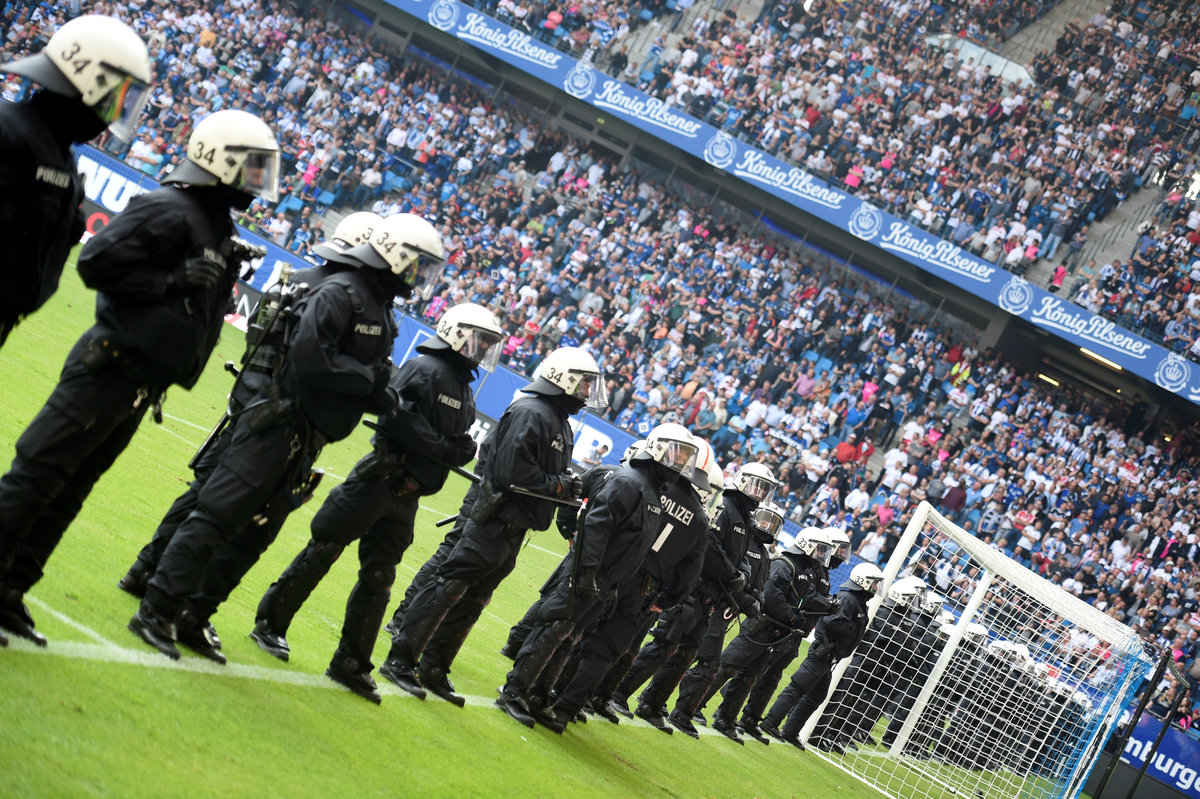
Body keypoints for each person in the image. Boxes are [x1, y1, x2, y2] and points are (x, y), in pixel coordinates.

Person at [0, 109, 278, 647]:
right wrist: (171, 280)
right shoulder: (168, 207)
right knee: (37, 479)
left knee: (70, 490)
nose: (256, 183)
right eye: (250, 168)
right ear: (218, 161)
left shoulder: (214, 225)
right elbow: (96, 264)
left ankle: (11, 588)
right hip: (107, 368)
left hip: (137, 385)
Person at [128, 211, 445, 660]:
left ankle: (193, 615)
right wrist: (369, 383)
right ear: (394, 253)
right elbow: (312, 359)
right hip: (277, 425)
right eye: (418, 264)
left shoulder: (375, 307)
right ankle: (157, 609)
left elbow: (364, 376)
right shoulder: (340, 293)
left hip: (305, 438)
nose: (420, 277)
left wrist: (375, 390)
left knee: (256, 534)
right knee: (217, 516)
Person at [116, 212, 384, 599]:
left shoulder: (296, 280)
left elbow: (256, 343)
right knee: (231, 511)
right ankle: (178, 597)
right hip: (281, 421)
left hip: (249, 402)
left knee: (203, 493)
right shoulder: (343, 301)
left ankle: (145, 570)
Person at [248, 303, 503, 702]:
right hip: (380, 478)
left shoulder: (462, 387)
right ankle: (270, 624)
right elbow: (396, 415)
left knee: (380, 577)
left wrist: (455, 448)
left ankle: (351, 662)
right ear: (455, 333)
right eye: (480, 339)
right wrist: (443, 448)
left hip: (408, 494)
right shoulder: (425, 369)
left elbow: (456, 441)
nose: (484, 348)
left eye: (488, 342)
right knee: (325, 548)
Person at [376, 346, 606, 701]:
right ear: (563, 378)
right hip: (496, 519)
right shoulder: (532, 412)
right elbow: (512, 472)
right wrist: (560, 486)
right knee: (450, 585)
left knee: (474, 598)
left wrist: (563, 486)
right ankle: (400, 660)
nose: (587, 392)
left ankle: (434, 666)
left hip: (515, 525)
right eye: (584, 383)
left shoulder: (556, 420)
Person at [495, 423, 697, 732]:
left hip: (606, 582)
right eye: (675, 454)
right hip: (589, 576)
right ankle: (514, 691)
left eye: (684, 457)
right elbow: (595, 527)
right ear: (656, 448)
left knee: (571, 637)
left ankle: (537, 696)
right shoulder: (629, 482)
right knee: (556, 628)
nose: (679, 463)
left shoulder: (650, 490)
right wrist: (587, 574)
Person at [0, 15, 152, 347]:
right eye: (113, 98)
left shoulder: (62, 159)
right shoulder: (8, 131)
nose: (112, 114)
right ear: (83, 82)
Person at [612, 462, 778, 733]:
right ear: (742, 480)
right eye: (756, 485)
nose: (759, 493)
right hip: (694, 589)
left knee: (686, 654)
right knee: (664, 644)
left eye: (765, 488)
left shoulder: (746, 518)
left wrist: (741, 575)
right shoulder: (724, 506)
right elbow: (708, 545)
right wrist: (731, 574)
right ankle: (619, 692)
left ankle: (652, 704)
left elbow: (742, 557)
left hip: (711, 597)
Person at [704, 520, 833, 745]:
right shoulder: (785, 564)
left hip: (776, 632)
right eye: (819, 548)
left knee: (750, 677)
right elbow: (772, 594)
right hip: (762, 626)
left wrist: (796, 617)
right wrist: (791, 616)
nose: (821, 554)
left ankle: (726, 719)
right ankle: (692, 707)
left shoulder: (805, 571)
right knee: (728, 666)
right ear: (807, 545)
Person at [760, 562, 883, 747]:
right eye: (874, 583)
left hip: (829, 657)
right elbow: (831, 622)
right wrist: (853, 627)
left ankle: (790, 730)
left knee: (817, 695)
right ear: (863, 581)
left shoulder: (856, 601)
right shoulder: (848, 599)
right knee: (798, 687)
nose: (876, 587)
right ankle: (770, 722)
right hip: (823, 652)